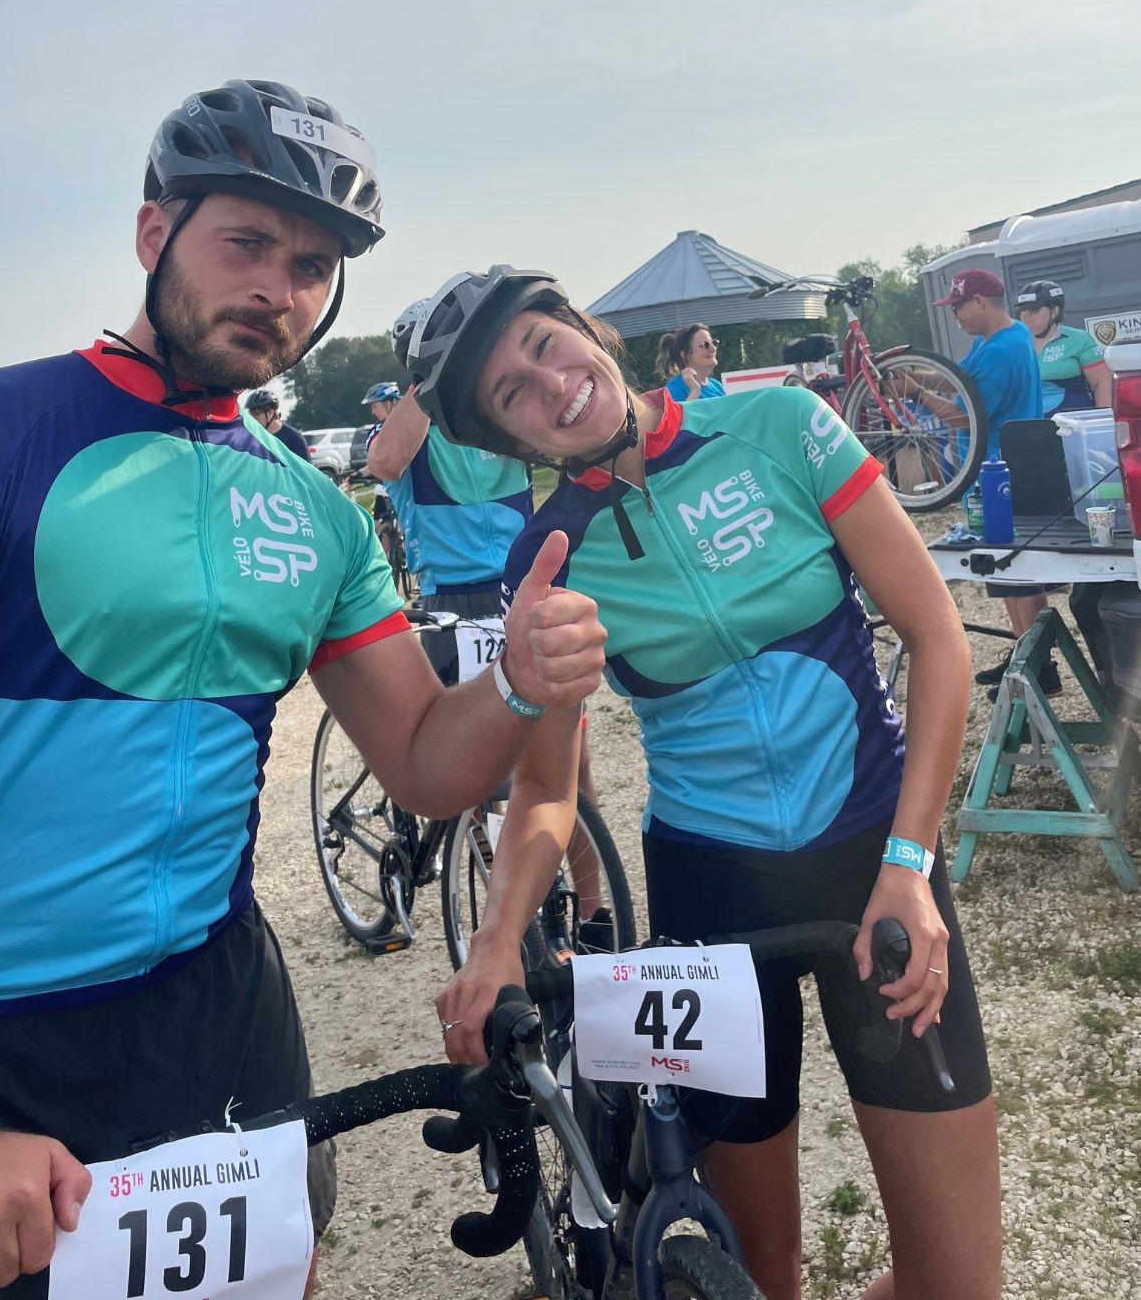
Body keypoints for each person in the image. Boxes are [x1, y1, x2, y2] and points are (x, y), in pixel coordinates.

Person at [0, 87, 607, 1300]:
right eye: (245, 244)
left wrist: (521, 681)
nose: (278, 288)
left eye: (313, 265)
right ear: (152, 237)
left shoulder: (313, 509)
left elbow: (428, 767)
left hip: (221, 1005)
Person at [411, 266, 1000, 1300]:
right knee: (754, 1275)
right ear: (511, 443)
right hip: (710, 902)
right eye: (512, 393)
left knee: (957, 1282)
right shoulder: (549, 556)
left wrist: (911, 863)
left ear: (589, 333)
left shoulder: (779, 427)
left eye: (547, 345)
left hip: (875, 865)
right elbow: (549, 792)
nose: (549, 385)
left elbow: (937, 638)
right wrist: (499, 935)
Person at [363, 303, 533, 622]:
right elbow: (386, 462)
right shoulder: (403, 429)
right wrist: (429, 375)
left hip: (525, 577)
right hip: (452, 593)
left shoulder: (495, 413)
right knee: (458, 676)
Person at [933, 267, 1055, 690]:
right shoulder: (996, 339)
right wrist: (913, 374)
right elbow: (956, 378)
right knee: (1005, 571)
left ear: (981, 302)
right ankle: (1027, 656)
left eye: (959, 306)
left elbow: (965, 414)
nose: (956, 316)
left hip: (1001, 469)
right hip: (993, 469)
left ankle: (1039, 665)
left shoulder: (1003, 350)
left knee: (1015, 570)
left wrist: (914, 394)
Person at [1015, 281, 1111, 416]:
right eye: (1022, 309)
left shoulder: (1079, 339)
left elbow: (1101, 384)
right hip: (1031, 426)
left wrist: (1104, 421)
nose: (1026, 315)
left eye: (1034, 309)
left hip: (1072, 426)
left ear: (1054, 311)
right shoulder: (1014, 344)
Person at [360, 379, 405, 564]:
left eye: (375, 406)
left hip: (404, 489)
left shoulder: (406, 425)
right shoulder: (378, 429)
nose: (373, 411)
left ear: (390, 403)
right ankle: (386, 560)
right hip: (385, 488)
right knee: (381, 525)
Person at [656, 320, 724, 400]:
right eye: (705, 345)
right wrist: (695, 391)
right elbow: (679, 413)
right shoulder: (674, 389)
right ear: (685, 355)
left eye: (714, 343)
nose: (713, 348)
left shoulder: (717, 385)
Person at [245, 385, 313, 459]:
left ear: (270, 412)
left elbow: (304, 467)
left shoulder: (294, 438)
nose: (253, 418)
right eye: (251, 414)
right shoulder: (253, 437)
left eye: (256, 413)